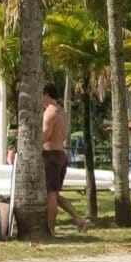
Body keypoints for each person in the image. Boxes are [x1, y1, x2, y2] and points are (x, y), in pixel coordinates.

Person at [41, 83, 87, 234]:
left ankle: (50, 230)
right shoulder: (62, 112)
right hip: (61, 155)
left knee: (50, 196)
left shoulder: (50, 112)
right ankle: (79, 220)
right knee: (56, 195)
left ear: (46, 95)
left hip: (51, 156)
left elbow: (45, 136)